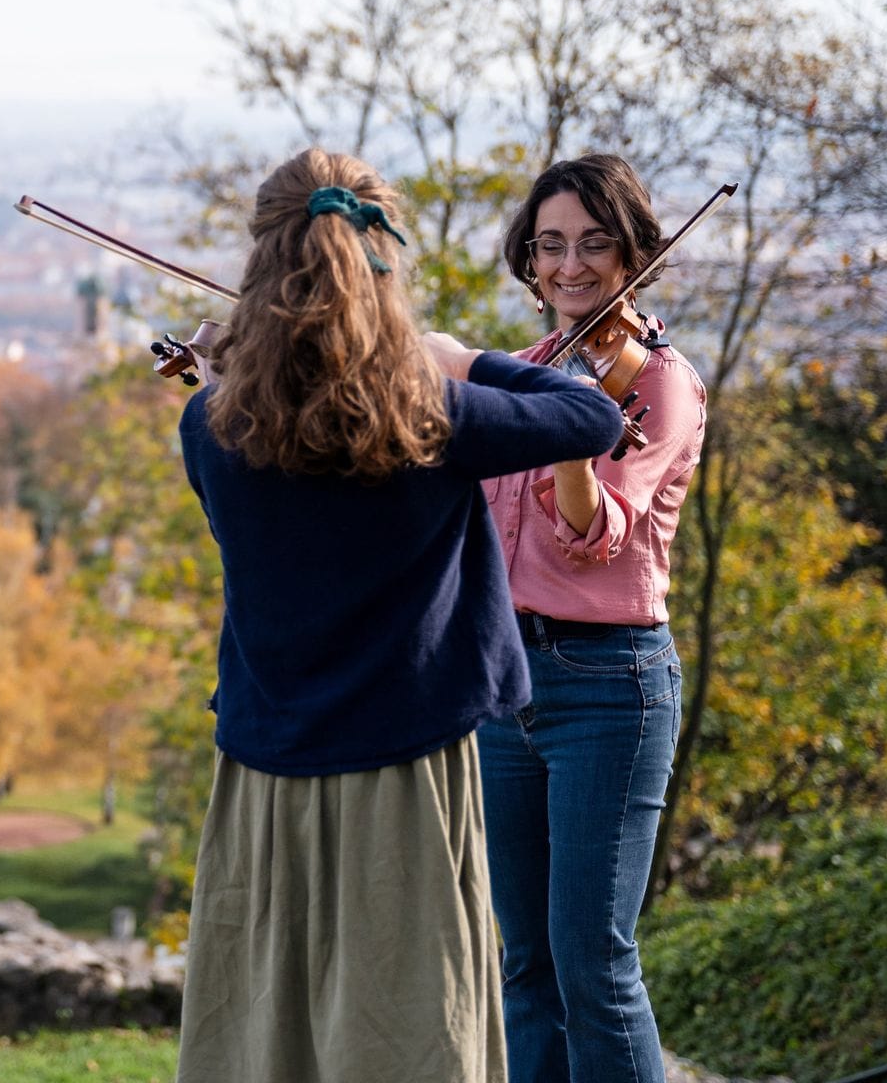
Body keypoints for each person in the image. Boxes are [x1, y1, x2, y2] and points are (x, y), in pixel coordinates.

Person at [173, 147, 625, 1083]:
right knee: (405, 1027)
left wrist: (245, 366)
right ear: (383, 267)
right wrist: (458, 360)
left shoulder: (210, 422)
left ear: (263, 267)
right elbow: (589, 417)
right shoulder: (431, 412)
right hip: (405, 772)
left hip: (263, 771)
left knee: (269, 1022)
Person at [475, 154, 709, 1083]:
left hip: (609, 689)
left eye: (594, 245)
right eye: (551, 245)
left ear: (634, 254)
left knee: (594, 966)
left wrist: (577, 430)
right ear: (529, 261)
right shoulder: (528, 373)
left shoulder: (658, 385)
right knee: (524, 964)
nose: (570, 266)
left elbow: (595, 538)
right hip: (508, 685)